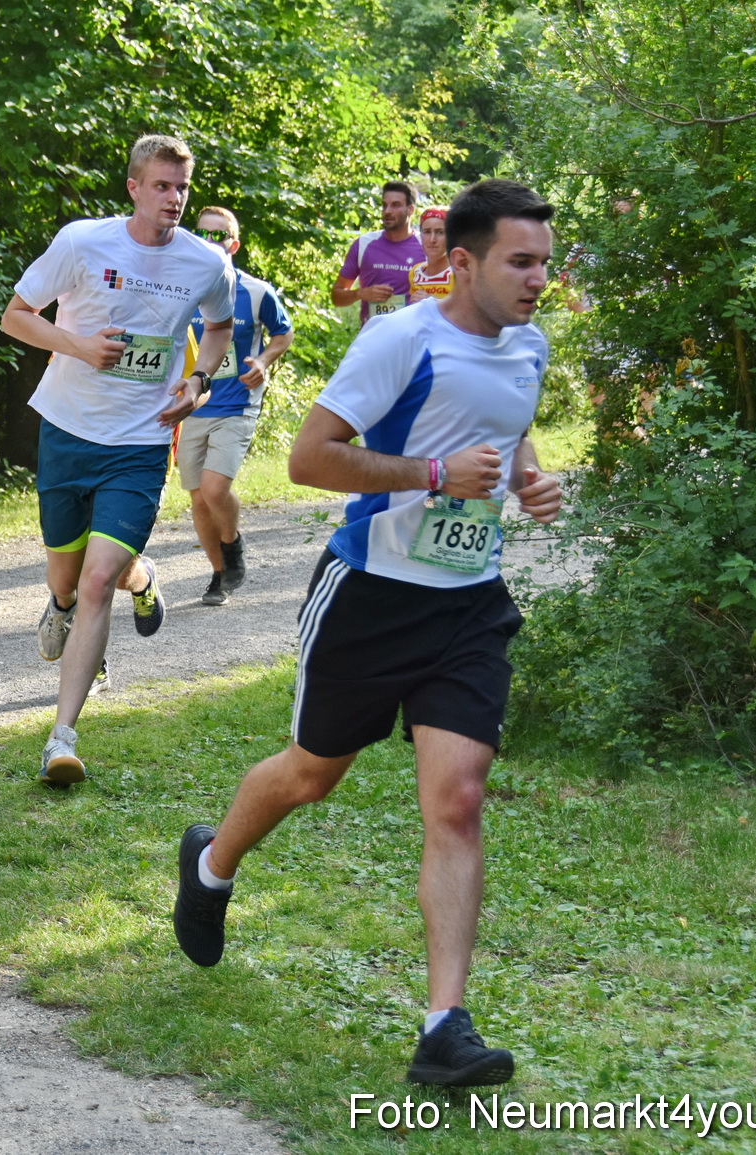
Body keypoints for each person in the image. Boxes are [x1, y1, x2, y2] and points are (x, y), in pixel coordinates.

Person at [171, 178, 566, 1087]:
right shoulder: (402, 339)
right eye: (520, 261)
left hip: (468, 603)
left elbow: (510, 436)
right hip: (370, 595)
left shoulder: (531, 346)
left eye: (543, 262)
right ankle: (213, 861)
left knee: (459, 800)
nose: (538, 279)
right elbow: (309, 457)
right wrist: (432, 471)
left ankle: (444, 1026)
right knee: (314, 773)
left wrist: (525, 482)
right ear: (460, 262)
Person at [1, 134, 235, 787]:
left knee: (96, 582)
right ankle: (130, 582)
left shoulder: (205, 262)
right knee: (72, 581)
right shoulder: (82, 243)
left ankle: (61, 738)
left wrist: (200, 382)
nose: (174, 199)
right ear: (133, 186)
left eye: (182, 187)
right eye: (162, 186)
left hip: (139, 443)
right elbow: (16, 316)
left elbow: (218, 328)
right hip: (69, 433)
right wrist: (75, 344)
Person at [181, 207, 293, 605]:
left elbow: (283, 334)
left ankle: (232, 543)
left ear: (234, 244)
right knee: (197, 497)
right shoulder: (181, 288)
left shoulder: (257, 292)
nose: (211, 242)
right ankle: (218, 574)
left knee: (214, 488)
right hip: (193, 406)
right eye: (203, 235)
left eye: (220, 235)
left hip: (238, 404)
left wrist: (262, 362)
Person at [331, 181, 425, 326]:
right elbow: (336, 297)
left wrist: (429, 299)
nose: (387, 211)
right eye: (384, 205)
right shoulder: (364, 244)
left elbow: (447, 293)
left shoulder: (426, 246)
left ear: (410, 210)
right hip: (372, 338)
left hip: (411, 340)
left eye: (395, 205)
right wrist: (360, 294)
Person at [407, 206, 454, 302]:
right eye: (427, 232)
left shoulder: (460, 274)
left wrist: (430, 303)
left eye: (440, 232)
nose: (432, 239)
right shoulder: (415, 273)